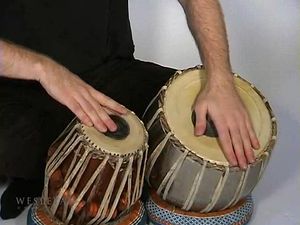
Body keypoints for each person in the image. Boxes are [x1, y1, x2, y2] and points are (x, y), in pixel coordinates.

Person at [0, 0, 259, 220]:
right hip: (16, 86)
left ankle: (65, 171)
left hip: (110, 74)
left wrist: (220, 81)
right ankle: (48, 175)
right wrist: (42, 69)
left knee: (200, 120)